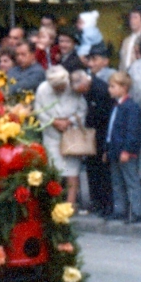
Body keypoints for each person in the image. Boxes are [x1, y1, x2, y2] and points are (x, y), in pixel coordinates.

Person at [35, 65, 88, 206]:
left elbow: (82, 109)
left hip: (71, 134)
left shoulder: (73, 88)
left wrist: (69, 121)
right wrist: (54, 122)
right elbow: (39, 111)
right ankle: (55, 203)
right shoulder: (42, 89)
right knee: (54, 171)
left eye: (62, 86)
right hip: (51, 135)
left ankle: (70, 205)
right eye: (56, 87)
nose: (60, 89)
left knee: (72, 170)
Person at [70, 69, 112, 218]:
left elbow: (103, 115)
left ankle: (106, 204)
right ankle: (96, 202)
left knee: (103, 171)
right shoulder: (87, 89)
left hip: (102, 133)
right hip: (91, 134)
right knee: (92, 169)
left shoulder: (100, 89)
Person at [104, 71, 141, 223]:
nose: (110, 89)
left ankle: (136, 211)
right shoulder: (117, 106)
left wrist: (127, 150)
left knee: (131, 181)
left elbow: (132, 131)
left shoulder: (131, 107)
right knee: (117, 182)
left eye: (113, 86)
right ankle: (120, 209)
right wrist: (107, 149)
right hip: (115, 150)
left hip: (125, 151)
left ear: (124, 87)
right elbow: (111, 130)